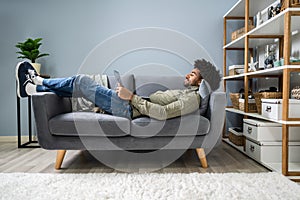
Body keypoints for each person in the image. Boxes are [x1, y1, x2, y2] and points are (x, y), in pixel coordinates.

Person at [16, 60, 207, 120]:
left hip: (128, 109)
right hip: (129, 104)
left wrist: (131, 97)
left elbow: (163, 113)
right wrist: (128, 95)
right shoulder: (186, 93)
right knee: (81, 87)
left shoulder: (193, 99)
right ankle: (34, 87)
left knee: (82, 81)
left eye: (192, 74)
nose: (187, 75)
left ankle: (38, 81)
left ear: (200, 82)